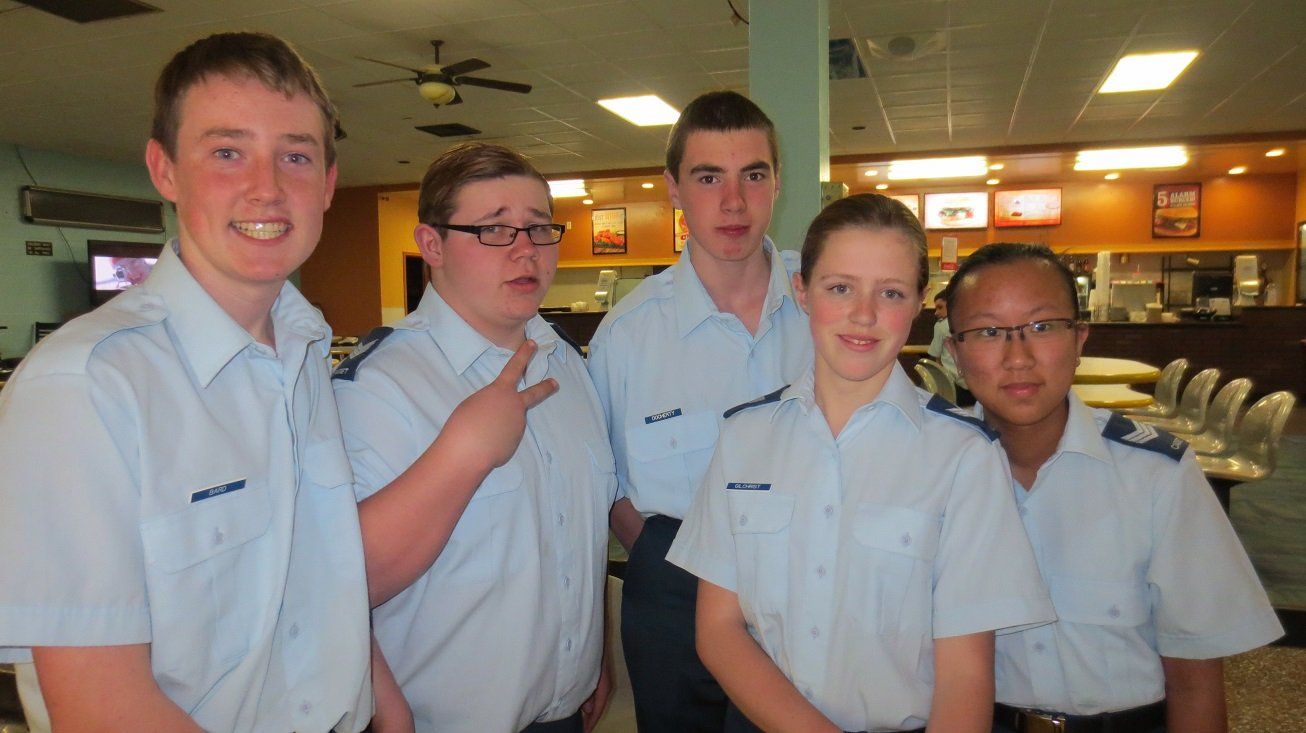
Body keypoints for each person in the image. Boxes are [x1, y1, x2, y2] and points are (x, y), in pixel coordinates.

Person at [0, 33, 552, 732]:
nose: (266, 187)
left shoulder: (300, 354)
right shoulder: (84, 387)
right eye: (227, 152)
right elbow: (100, 707)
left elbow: (313, 574)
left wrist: (384, 699)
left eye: (295, 156)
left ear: (327, 183)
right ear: (164, 170)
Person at [667, 194, 1054, 733]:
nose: (864, 314)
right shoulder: (744, 438)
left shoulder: (963, 456)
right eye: (840, 288)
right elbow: (718, 630)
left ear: (920, 303)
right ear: (802, 291)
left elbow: (965, 674)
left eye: (890, 292)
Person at [331, 142, 617, 733]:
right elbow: (338, 582)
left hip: (564, 711)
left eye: (539, 228)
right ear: (432, 245)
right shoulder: (379, 388)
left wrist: (594, 657)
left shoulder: (566, 363)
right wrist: (462, 455)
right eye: (494, 229)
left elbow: (578, 534)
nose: (525, 249)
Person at [943, 243, 1284, 733]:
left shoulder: (1155, 475)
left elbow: (1194, 680)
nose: (1018, 358)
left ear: (1079, 339)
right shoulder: (932, 475)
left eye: (1043, 327)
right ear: (955, 354)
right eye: (989, 332)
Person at [587, 90, 812, 732]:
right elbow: (603, 482)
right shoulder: (627, 336)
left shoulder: (827, 302)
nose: (733, 202)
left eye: (753, 175)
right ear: (674, 188)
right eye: (709, 177)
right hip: (674, 588)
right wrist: (665, 560)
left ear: (777, 181)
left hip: (809, 579)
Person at [925, 285, 972, 406]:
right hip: (978, 387)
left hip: (956, 387)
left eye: (940, 307)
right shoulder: (972, 323)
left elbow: (935, 355)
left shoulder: (941, 326)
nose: (936, 313)